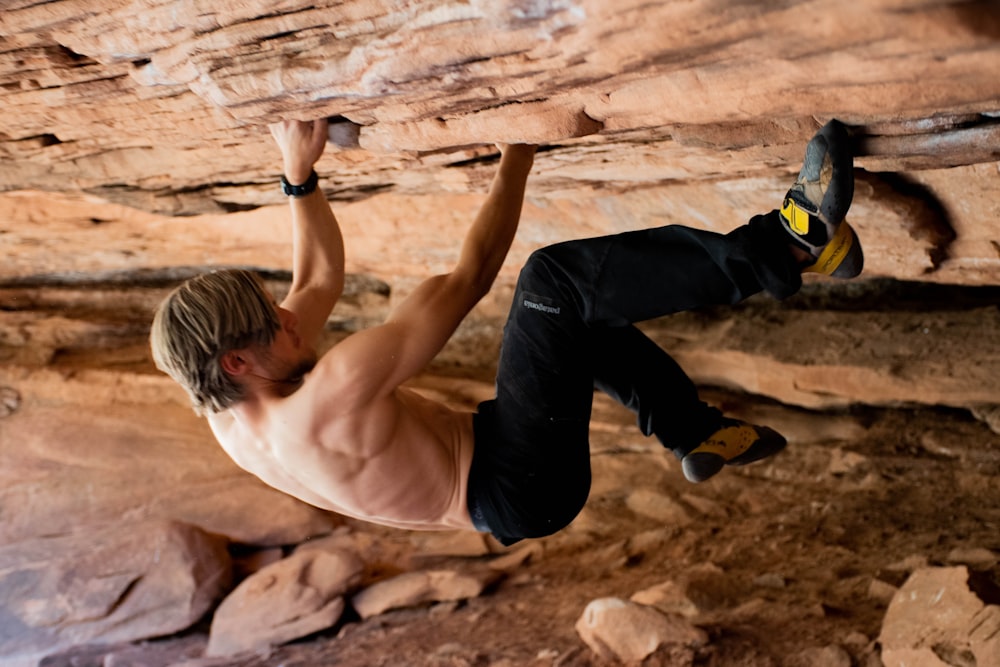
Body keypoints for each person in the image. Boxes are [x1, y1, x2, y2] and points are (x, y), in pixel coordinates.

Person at [151, 119, 862, 546]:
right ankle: (791, 241)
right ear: (239, 359)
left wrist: (298, 179)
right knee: (553, 285)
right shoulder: (328, 396)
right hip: (515, 481)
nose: (289, 311)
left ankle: (690, 429)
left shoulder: (231, 406)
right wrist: (518, 151)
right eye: (272, 322)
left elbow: (316, 281)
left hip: (499, 485)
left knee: (568, 325)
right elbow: (471, 277)